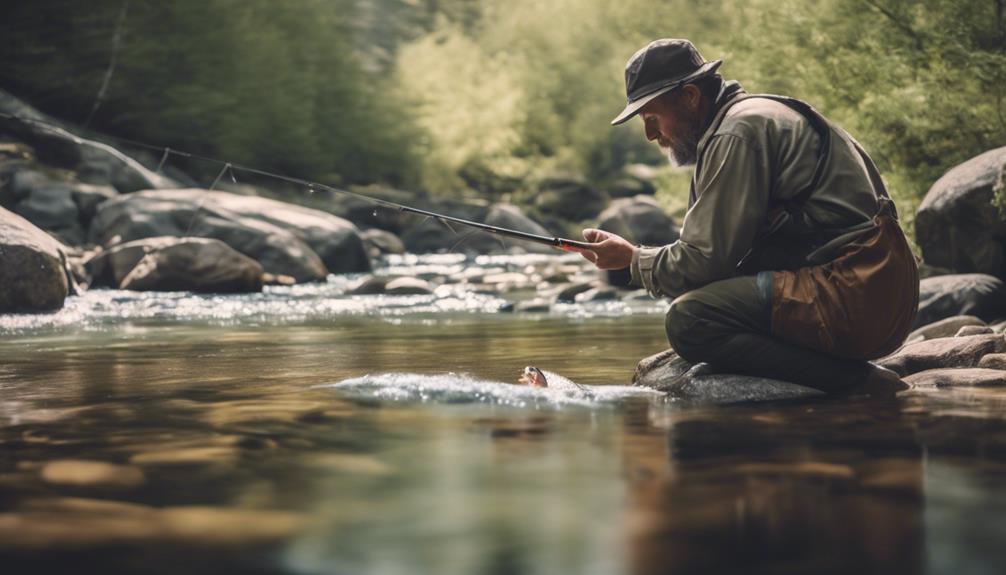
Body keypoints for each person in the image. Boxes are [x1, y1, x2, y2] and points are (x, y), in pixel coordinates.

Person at [580, 38, 919, 394]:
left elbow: (703, 262)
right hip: (872, 290)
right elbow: (716, 263)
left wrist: (633, 261)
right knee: (705, 301)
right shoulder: (752, 117)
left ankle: (858, 382)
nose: (651, 135)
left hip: (857, 293)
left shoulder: (737, 132)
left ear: (691, 96)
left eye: (652, 117)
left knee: (690, 320)